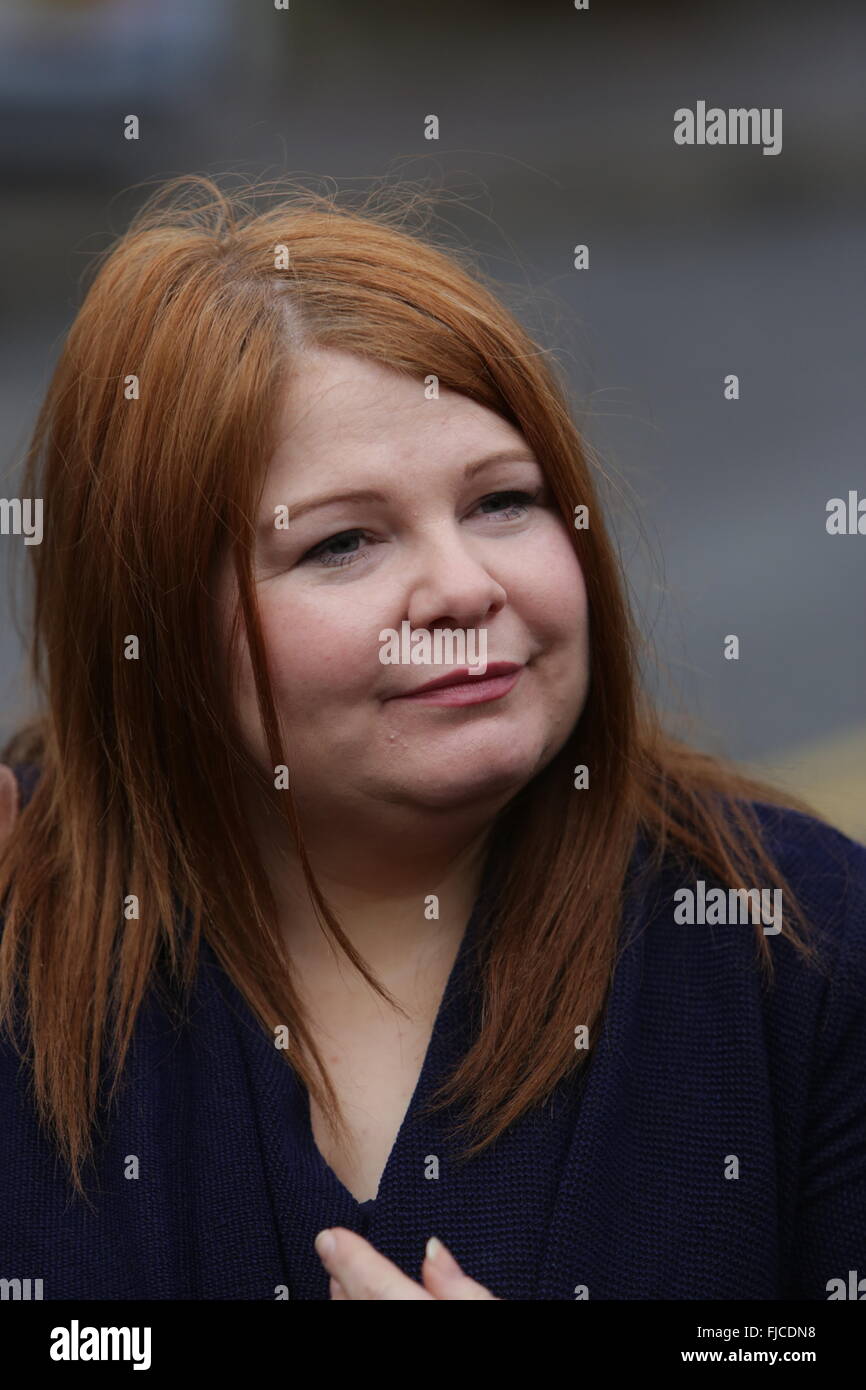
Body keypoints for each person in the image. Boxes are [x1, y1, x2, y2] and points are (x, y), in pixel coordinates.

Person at [1, 176, 864, 1301]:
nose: (462, 587)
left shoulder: (795, 946)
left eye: (503, 502)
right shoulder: (24, 936)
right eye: (344, 543)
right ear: (152, 623)